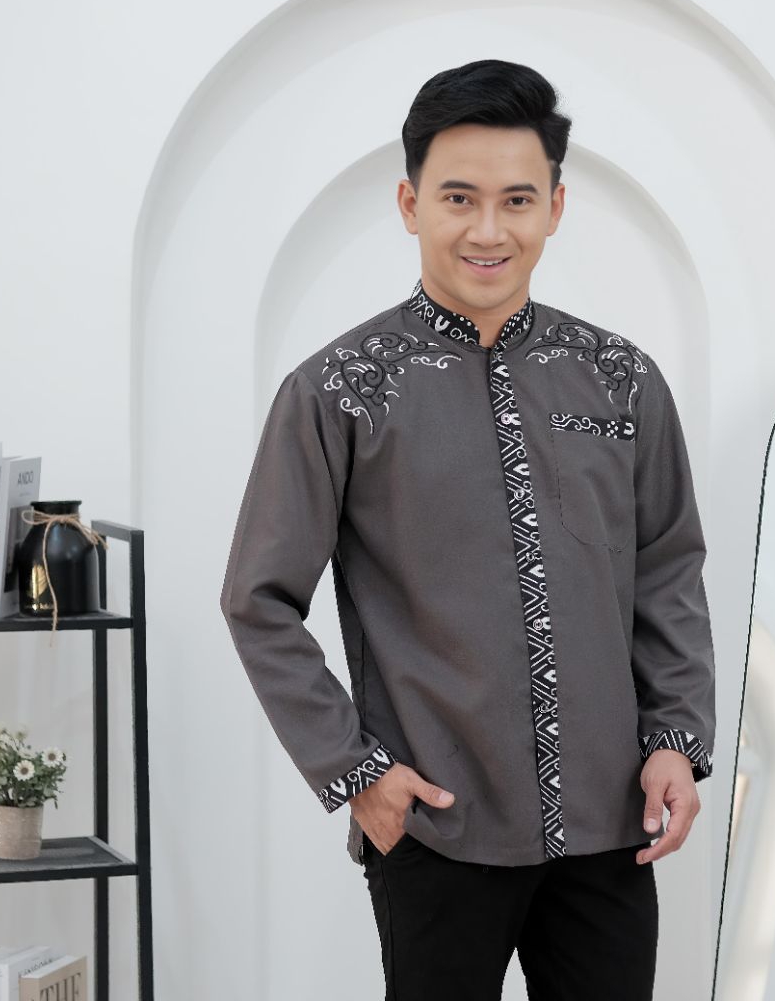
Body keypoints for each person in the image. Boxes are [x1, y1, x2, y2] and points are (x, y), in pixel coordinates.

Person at [220, 57, 716, 1001]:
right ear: (411, 205)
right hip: (437, 823)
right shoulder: (339, 391)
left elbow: (668, 572)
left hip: (611, 825)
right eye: (459, 198)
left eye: (517, 200)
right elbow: (259, 600)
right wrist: (357, 773)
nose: (489, 230)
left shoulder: (622, 379)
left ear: (555, 208)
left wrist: (677, 740)